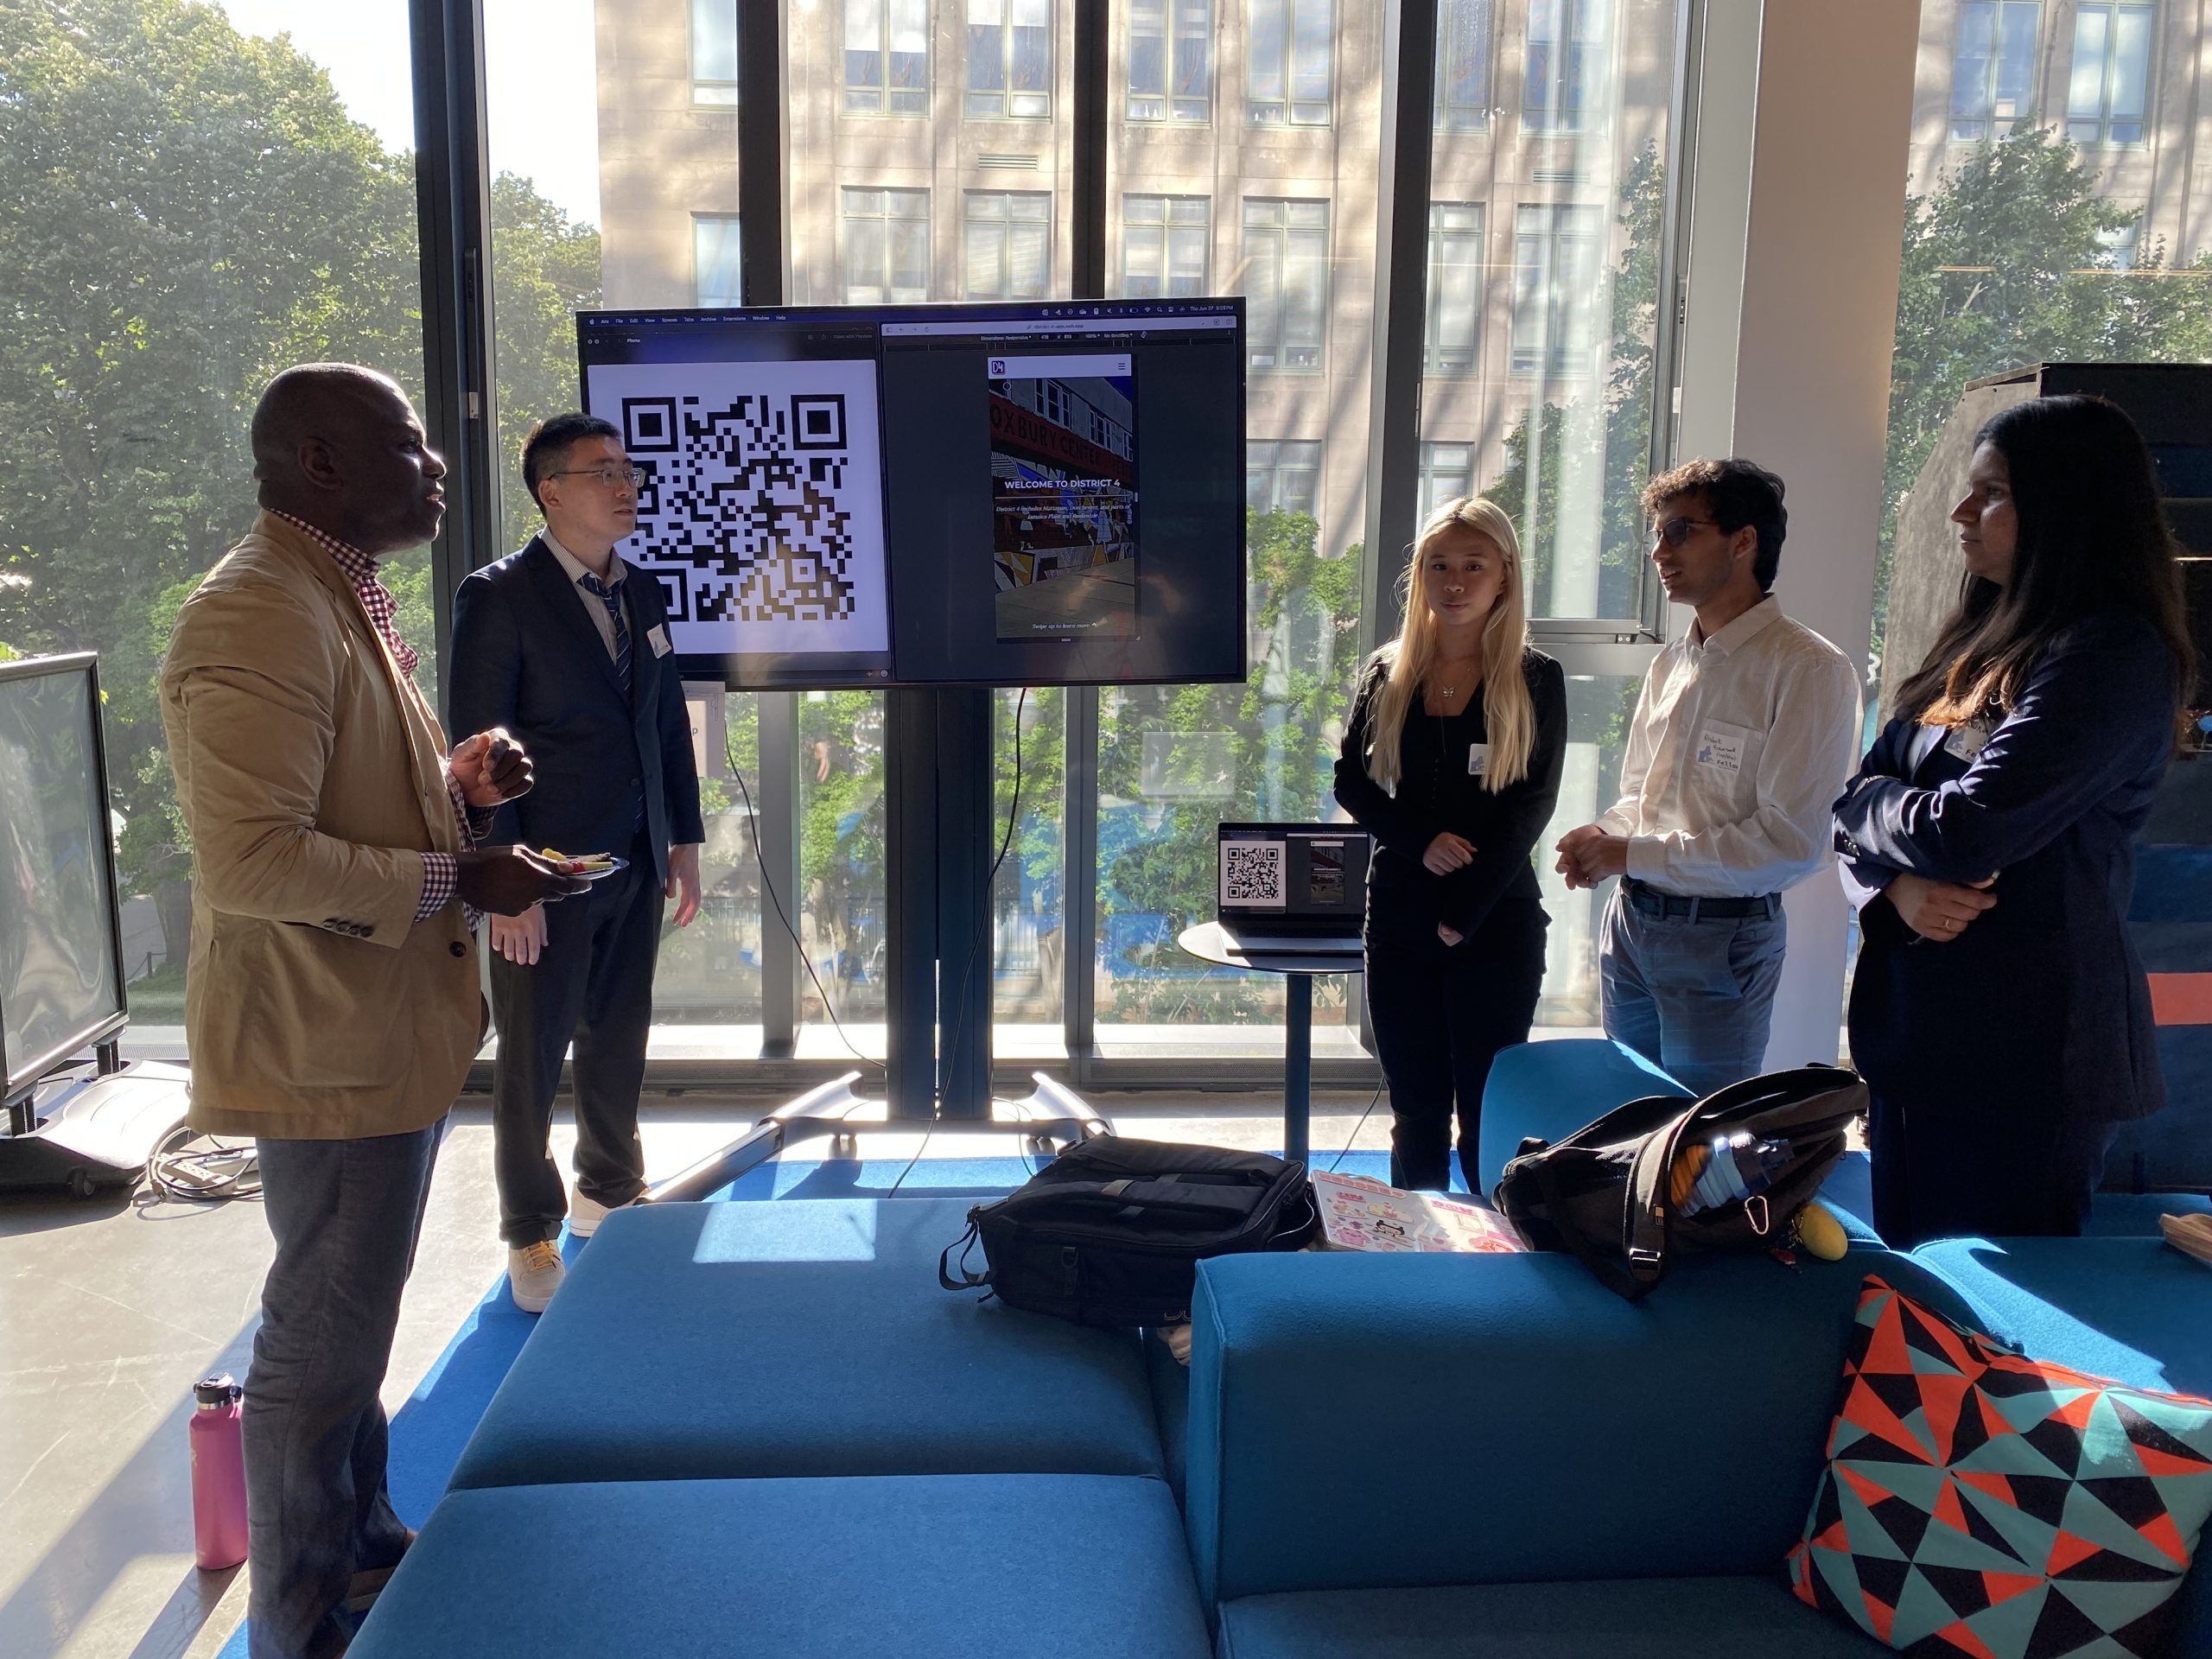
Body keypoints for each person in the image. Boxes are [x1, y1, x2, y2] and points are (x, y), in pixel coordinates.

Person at [159, 363, 584, 1659]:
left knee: (353, 1323)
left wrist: (454, 789)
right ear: (322, 463)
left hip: (372, 1035)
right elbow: (253, 862)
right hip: (325, 1045)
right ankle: (297, 1625)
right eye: (406, 443)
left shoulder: (330, 592)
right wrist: (459, 875)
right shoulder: (257, 612)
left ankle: (358, 1548)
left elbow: (340, 802)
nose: (438, 463)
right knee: (320, 1342)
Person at [1834, 395, 2190, 1249]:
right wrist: (1890, 890)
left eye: (1991, 493)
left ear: (2069, 507)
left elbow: (1967, 830)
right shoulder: (1979, 638)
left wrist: (1877, 814)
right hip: (1922, 1040)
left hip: (2029, 1059)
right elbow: (1851, 805)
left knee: (1992, 1317)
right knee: (1913, 1299)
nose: (1961, 512)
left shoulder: (2111, 654)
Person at [448, 414, 705, 1313]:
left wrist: (682, 840)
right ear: (551, 491)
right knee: (532, 1054)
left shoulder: (641, 590)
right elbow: (479, 747)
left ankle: (611, 1189)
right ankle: (530, 1228)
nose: (625, 485)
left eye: (627, 470)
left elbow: (664, 724)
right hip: (542, 868)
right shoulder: (500, 595)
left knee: (619, 1036)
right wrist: (503, 879)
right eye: (603, 472)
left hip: (632, 856)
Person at [1554, 459, 1859, 1097]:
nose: (1659, 553)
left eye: (1681, 531)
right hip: (1631, 922)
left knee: (1701, 1135)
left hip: (1722, 936)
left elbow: (1791, 842)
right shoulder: (1672, 662)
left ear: (1744, 542)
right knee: (1629, 1121)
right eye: (1657, 535)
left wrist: (1629, 852)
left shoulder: (1809, 668)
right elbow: (1642, 796)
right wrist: (1603, 834)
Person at [1334, 496, 1567, 1192]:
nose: (1455, 582)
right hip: (1398, 918)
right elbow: (1351, 782)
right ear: (1421, 576)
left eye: (1473, 566)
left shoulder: (1535, 678)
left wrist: (1463, 911)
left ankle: (1494, 1249)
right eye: (1439, 566)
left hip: (1496, 921)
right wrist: (1420, 841)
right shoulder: (1387, 671)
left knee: (1486, 1113)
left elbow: (1532, 805)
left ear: (1505, 575)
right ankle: (1417, 1246)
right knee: (1416, 1110)